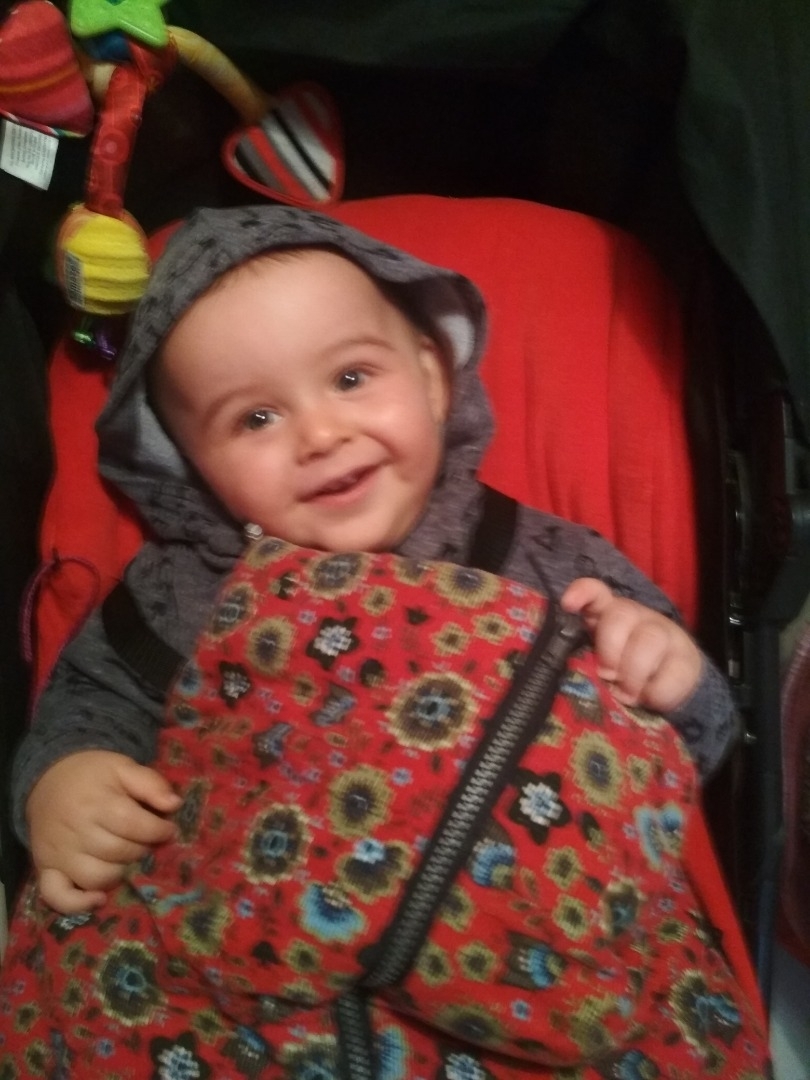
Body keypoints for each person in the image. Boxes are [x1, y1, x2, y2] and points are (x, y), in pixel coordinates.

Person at [12, 205, 738, 918]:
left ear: (431, 377)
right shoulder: (180, 596)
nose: (321, 435)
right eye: (256, 419)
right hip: (264, 937)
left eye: (351, 378)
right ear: (190, 466)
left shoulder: (554, 562)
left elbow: (698, 752)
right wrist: (61, 784)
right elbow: (87, 705)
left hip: (528, 921)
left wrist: (675, 679)